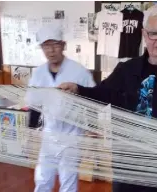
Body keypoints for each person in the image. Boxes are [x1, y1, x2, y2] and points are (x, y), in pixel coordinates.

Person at [58, 4, 157, 192]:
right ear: (143, 33)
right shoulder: (126, 69)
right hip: (128, 164)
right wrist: (78, 89)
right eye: (153, 33)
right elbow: (103, 93)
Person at [26, 25, 96, 192]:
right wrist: (31, 128)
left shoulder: (79, 72)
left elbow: (94, 98)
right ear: (42, 48)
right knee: (43, 178)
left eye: (55, 45)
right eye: (46, 46)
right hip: (49, 134)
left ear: (63, 45)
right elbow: (34, 101)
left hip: (71, 136)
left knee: (68, 181)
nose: (51, 50)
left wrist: (92, 126)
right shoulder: (39, 73)